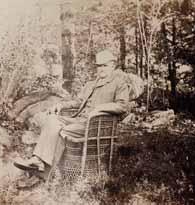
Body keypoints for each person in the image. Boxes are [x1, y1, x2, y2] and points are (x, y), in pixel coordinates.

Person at [14, 49, 130, 180]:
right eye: (99, 66)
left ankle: (45, 174)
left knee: (60, 131)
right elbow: (78, 102)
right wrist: (61, 105)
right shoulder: (91, 84)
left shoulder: (119, 83)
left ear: (113, 65)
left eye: (105, 65)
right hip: (79, 120)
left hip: (96, 125)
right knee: (51, 120)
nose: (101, 69)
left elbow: (122, 106)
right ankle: (37, 160)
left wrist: (101, 108)